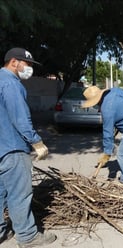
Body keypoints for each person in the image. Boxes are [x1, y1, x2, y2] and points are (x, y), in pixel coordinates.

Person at [0, 48, 56, 247]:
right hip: (12, 147)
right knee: (19, 193)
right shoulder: (11, 84)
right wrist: (36, 142)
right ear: (14, 62)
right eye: (28, 64)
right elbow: (20, 117)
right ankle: (27, 236)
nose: (30, 68)